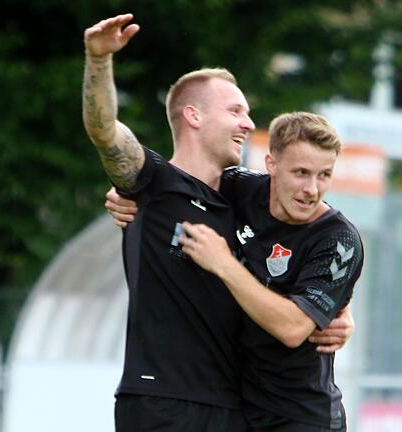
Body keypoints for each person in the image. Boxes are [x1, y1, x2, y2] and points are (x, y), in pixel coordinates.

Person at [82, 14, 352, 431]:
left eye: (248, 113)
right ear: (193, 115)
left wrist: (338, 306)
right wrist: (98, 60)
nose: (247, 122)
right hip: (162, 401)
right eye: (235, 110)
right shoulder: (154, 183)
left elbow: (308, 237)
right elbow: (104, 131)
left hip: (235, 406)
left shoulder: (242, 195)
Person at [109, 112, 364, 431]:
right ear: (271, 164)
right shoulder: (239, 188)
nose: (312, 189)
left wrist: (225, 264)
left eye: (324, 175)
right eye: (301, 173)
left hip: (301, 418)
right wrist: (129, 197)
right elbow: (175, 189)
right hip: (238, 410)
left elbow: (293, 328)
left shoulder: (338, 239)